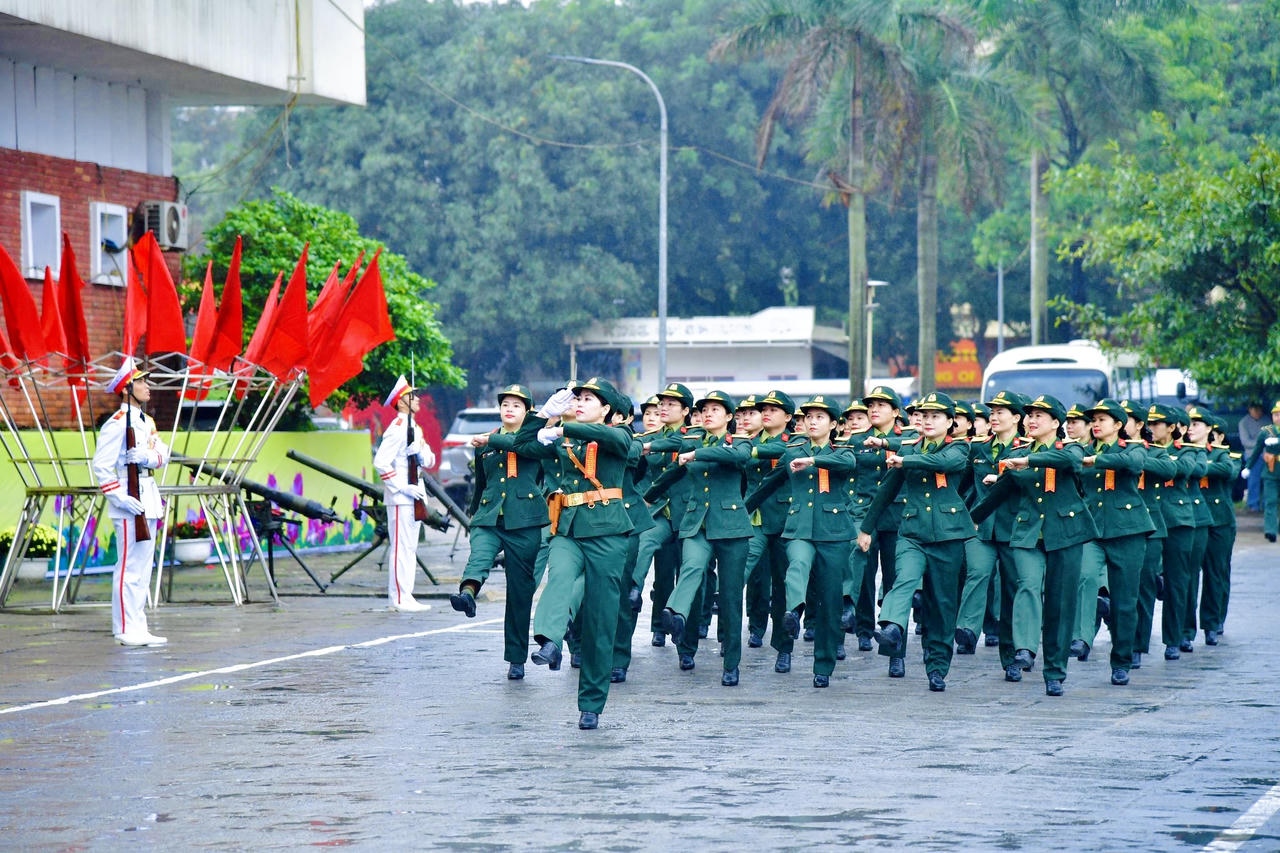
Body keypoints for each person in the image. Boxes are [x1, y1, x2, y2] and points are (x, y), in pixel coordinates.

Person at [518, 378, 633, 730]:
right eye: (577, 397)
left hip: (610, 533)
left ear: (608, 410)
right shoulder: (563, 436)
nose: (580, 402)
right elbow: (522, 446)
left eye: (589, 399)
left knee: (601, 621)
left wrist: (565, 425)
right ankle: (549, 640)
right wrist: (542, 417)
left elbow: (617, 441)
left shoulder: (621, 435)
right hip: (569, 527)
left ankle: (591, 704)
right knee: (560, 576)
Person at [969, 395, 1098, 696]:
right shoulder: (1019, 451)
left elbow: (1066, 461)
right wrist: (971, 521)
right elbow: (1000, 492)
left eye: (1040, 415)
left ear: (1056, 423)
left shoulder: (1071, 447)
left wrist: (1026, 461)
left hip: (1065, 533)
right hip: (1028, 534)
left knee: (1060, 603)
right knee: (1026, 584)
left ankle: (1055, 671)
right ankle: (1025, 648)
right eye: (1029, 415)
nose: (1032, 419)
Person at [859, 392, 974, 692]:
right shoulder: (908, 449)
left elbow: (944, 463)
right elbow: (886, 492)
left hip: (948, 536)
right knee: (903, 580)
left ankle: (936, 667)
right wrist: (866, 528)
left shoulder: (959, 447)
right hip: (911, 533)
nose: (928, 421)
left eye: (936, 416)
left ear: (950, 422)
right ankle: (891, 627)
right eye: (924, 415)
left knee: (941, 605)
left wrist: (904, 458)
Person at [745, 395, 857, 687]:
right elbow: (770, 483)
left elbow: (846, 464)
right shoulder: (792, 450)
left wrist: (813, 459)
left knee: (831, 602)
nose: (812, 421)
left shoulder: (842, 449)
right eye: (808, 417)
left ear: (833, 424)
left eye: (820, 417)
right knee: (796, 563)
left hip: (833, 533)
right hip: (798, 528)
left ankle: (823, 666)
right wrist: (743, 510)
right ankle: (794, 610)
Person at [648, 391, 753, 685]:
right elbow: (672, 473)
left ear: (729, 417)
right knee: (692, 569)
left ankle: (731, 663)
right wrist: (647, 499)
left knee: (731, 598)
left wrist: (698, 454)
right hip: (696, 523)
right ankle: (675, 616)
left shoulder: (740, 441)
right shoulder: (690, 441)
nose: (708, 414)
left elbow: (737, 458)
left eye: (716, 410)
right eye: (704, 409)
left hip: (732, 527)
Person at [451, 384, 547, 679]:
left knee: (520, 591)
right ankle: (468, 593)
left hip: (525, 522)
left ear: (527, 412)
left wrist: (493, 440)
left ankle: (516, 658)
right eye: (505, 403)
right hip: (490, 515)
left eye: (517, 405)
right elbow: (481, 482)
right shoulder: (486, 443)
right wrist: (473, 513)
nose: (509, 408)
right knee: (479, 554)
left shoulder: (537, 440)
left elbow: (530, 453)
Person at [1077, 399, 1155, 685]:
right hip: (1093, 530)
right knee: (1084, 576)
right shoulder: (1081, 450)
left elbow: (1132, 464)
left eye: (1102, 419)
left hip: (1128, 531)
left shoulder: (1132, 448)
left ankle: (1121, 659)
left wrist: (1094, 460)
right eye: (1093, 420)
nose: (1095, 424)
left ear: (1119, 425)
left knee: (1124, 600)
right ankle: (1081, 637)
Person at [93, 358, 169, 646]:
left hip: (147, 496)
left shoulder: (146, 421)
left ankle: (139, 625)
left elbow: (163, 453)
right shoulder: (115, 425)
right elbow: (101, 466)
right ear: (127, 389)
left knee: (143, 568)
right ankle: (124, 628)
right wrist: (120, 498)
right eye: (141, 382)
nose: (147, 387)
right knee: (127, 567)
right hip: (129, 498)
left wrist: (146, 457)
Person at [954, 392, 1024, 658]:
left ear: (1016, 418)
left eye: (1000, 413)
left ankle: (1013, 650)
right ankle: (967, 629)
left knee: (1012, 587)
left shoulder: (1026, 450)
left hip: (1014, 528)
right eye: (991, 413)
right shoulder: (978, 448)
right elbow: (962, 487)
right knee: (978, 572)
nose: (993, 417)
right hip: (981, 527)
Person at [628, 383, 697, 646]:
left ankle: (685, 640)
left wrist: (649, 445)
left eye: (671, 404)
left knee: (686, 573)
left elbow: (675, 444)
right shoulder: (651, 436)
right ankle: (634, 589)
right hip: (659, 511)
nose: (663, 408)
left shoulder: (693, 435)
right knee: (645, 544)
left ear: (686, 411)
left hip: (689, 513)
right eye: (662, 404)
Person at [742, 390, 799, 671]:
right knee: (746, 571)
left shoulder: (796, 442)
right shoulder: (749, 441)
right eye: (763, 409)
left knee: (783, 586)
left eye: (774, 410)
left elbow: (785, 454)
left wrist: (750, 450)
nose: (766, 413)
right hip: (754, 518)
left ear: (788, 417)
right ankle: (750, 626)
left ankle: (783, 647)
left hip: (785, 520)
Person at [373, 376, 436, 612]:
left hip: (415, 494)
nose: (417, 399)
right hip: (401, 497)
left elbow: (430, 460)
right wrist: (401, 487)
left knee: (409, 548)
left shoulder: (414, 428)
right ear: (401, 402)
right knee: (401, 548)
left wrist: (419, 454)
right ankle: (399, 598)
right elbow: (381, 462)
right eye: (412, 396)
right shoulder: (398, 428)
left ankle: (406, 595)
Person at [1145, 404, 1202, 661]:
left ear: (1171, 428)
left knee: (1178, 581)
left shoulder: (1186, 451)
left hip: (1178, 521)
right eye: (1150, 423)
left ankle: (1174, 637)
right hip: (1151, 519)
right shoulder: (1144, 450)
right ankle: (1138, 643)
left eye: (1157, 424)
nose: (1152, 428)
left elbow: (1184, 470)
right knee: (1146, 580)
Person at [1122, 401, 1176, 670]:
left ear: (1139, 425)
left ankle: (1136, 644)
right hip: (1116, 525)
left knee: (1143, 587)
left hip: (1149, 528)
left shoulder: (1154, 452)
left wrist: (1136, 455)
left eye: (1127, 419)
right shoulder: (1110, 450)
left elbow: (1169, 470)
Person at [1199, 414, 1241, 644]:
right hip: (1196, 518)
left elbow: (1229, 472)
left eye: (1211, 433)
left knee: (1217, 573)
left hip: (1219, 520)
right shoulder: (1191, 451)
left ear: (1220, 436)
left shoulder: (1228, 456)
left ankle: (1213, 621)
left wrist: (1204, 464)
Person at [1242, 400, 1280, 543]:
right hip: (1271, 471)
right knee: (1270, 501)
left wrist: (1277, 442)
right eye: (1276, 414)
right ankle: (1270, 530)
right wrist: (1248, 467)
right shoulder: (1266, 431)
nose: (1278, 417)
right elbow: (1257, 450)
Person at [1239, 403, 1267, 512]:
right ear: (1249, 409)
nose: (1257, 412)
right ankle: (1253, 505)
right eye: (1254, 409)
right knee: (1253, 480)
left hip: (1267, 454)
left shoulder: (1267, 420)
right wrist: (1261, 444)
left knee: (1268, 480)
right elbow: (1245, 442)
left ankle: (1266, 504)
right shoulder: (1244, 422)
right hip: (1252, 455)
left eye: (1259, 409)